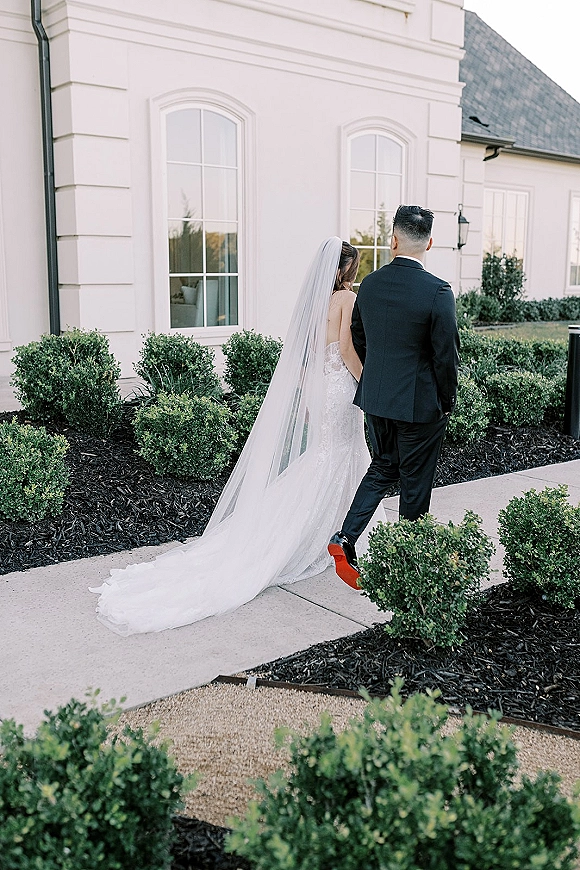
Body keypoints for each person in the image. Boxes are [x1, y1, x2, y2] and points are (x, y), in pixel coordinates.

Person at [90, 237, 384, 635]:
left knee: (328, 455)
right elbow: (348, 352)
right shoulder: (345, 301)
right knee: (343, 455)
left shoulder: (313, 306)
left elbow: (304, 357)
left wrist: (313, 394)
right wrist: (369, 385)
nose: (354, 276)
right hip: (342, 387)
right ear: (340, 270)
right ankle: (339, 537)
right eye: (351, 269)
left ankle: (325, 533)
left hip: (320, 388)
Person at [329, 205, 460, 589]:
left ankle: (344, 538)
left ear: (393, 241)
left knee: (384, 467)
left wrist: (380, 380)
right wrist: (446, 403)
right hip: (421, 407)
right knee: (415, 484)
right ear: (430, 243)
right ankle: (409, 568)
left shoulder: (369, 285)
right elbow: (446, 356)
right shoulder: (438, 292)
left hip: (376, 400)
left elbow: (360, 338)